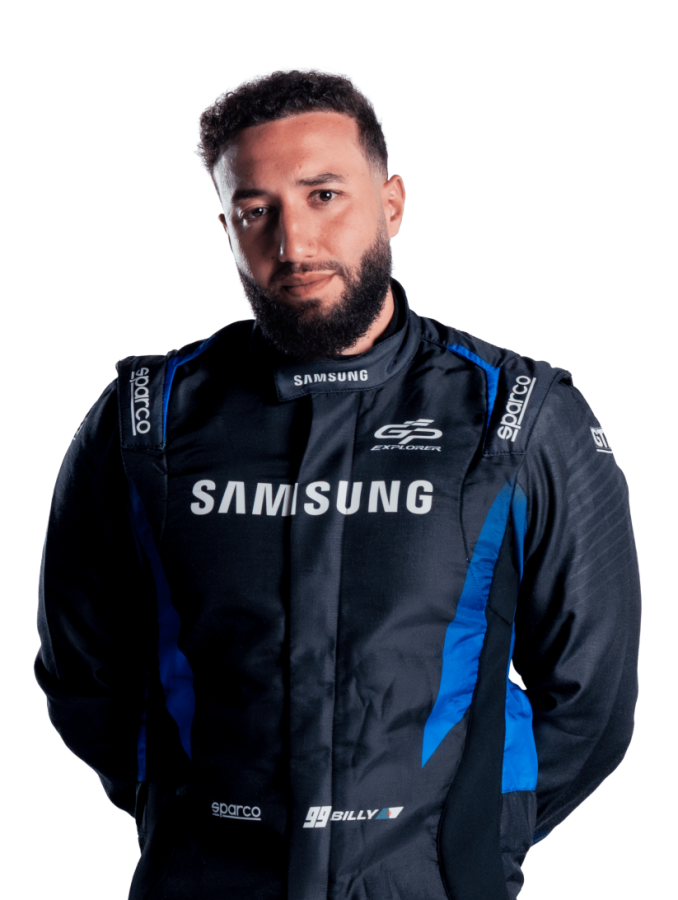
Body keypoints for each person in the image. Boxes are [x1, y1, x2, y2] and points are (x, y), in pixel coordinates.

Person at [34, 66, 641, 900]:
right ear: (226, 225)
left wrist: (472, 833)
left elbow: (594, 699)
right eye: (257, 210)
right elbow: (82, 675)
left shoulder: (520, 411)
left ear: (391, 204)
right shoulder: (145, 415)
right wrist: (183, 812)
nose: (294, 244)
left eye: (324, 196)